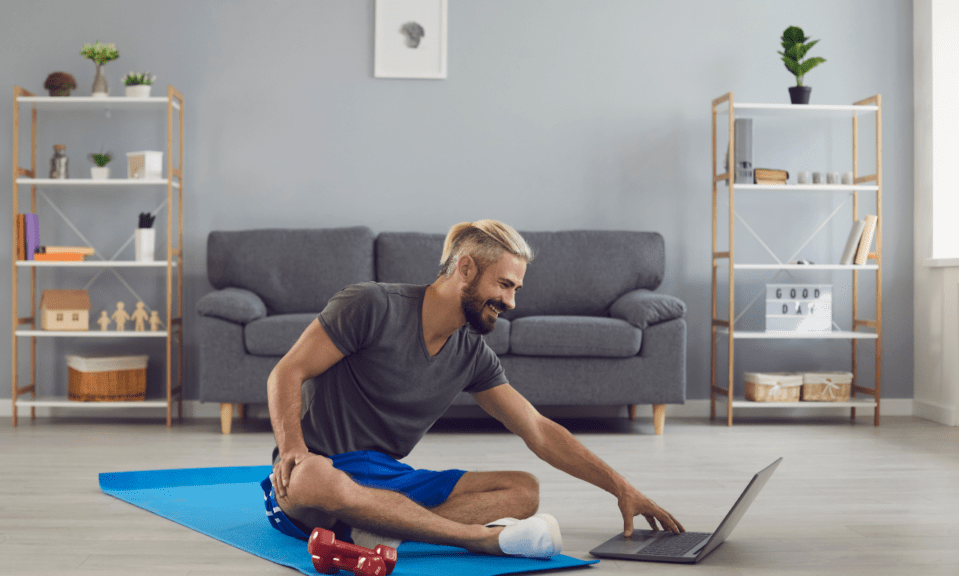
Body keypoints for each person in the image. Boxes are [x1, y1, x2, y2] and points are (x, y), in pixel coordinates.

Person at [262, 220, 683, 558]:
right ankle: (475, 538)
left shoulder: (472, 354)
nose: (512, 302)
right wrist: (295, 450)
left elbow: (536, 428)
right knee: (314, 478)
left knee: (523, 489)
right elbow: (286, 372)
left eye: (516, 288)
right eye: (504, 285)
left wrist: (621, 488)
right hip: (321, 472)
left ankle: (381, 534)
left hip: (383, 479)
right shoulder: (371, 305)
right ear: (465, 268)